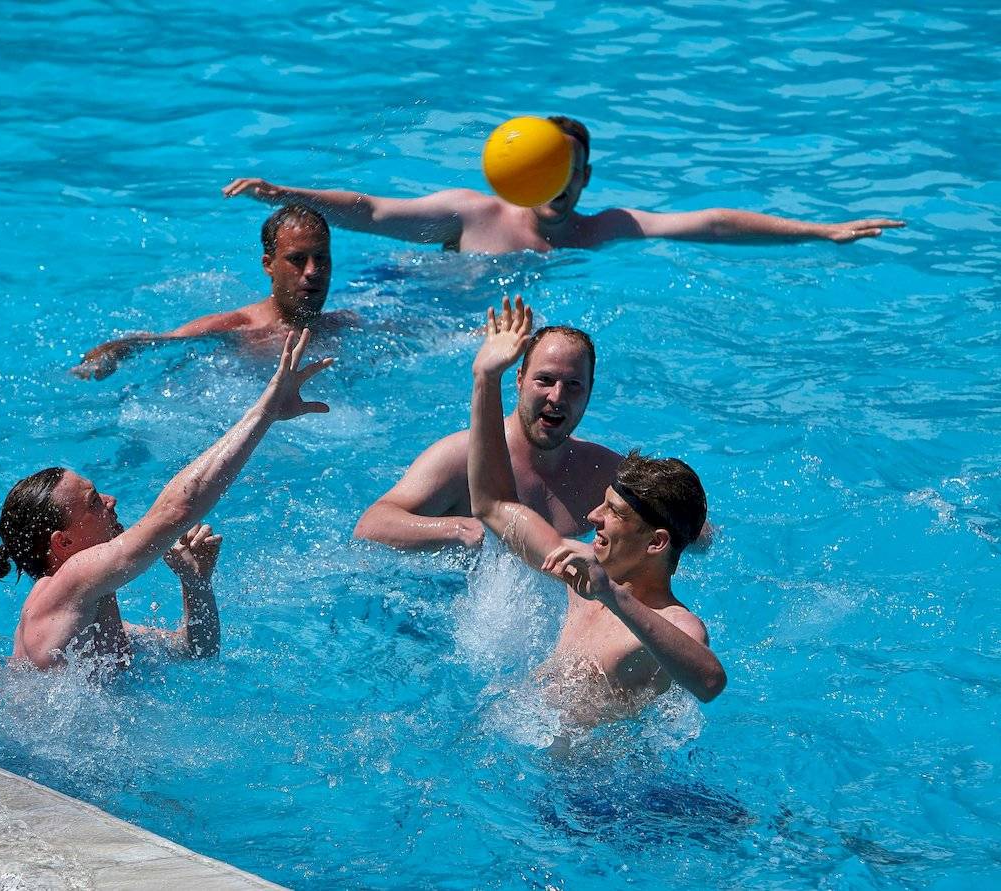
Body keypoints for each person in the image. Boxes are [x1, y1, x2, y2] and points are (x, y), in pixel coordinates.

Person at [0, 330, 333, 674]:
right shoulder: (65, 583)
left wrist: (195, 583)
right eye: (93, 502)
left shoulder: (86, 613)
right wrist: (265, 411)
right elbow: (177, 510)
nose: (110, 500)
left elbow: (195, 651)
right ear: (63, 542)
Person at [468, 297, 726, 723]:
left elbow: (710, 682)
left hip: (605, 787)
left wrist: (613, 595)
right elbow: (493, 505)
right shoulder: (581, 578)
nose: (592, 519)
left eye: (612, 512)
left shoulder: (673, 621)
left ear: (656, 542)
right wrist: (484, 379)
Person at [223, 115, 904, 254]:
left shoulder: (604, 229)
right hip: (418, 309)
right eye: (547, 169)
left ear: (584, 177)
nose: (560, 185)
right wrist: (286, 191)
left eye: (570, 171)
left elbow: (715, 222)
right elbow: (371, 210)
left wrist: (821, 229)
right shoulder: (471, 214)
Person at [353, 321, 621, 551]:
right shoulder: (461, 457)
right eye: (545, 380)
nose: (557, 397)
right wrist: (456, 529)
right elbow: (371, 525)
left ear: (589, 391)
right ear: (519, 379)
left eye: (573, 385)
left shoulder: (606, 475)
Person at [73, 204, 355, 379]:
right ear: (268, 265)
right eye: (297, 259)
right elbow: (163, 341)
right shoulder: (239, 328)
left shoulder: (344, 325)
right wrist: (111, 351)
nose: (312, 271)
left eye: (321, 258)